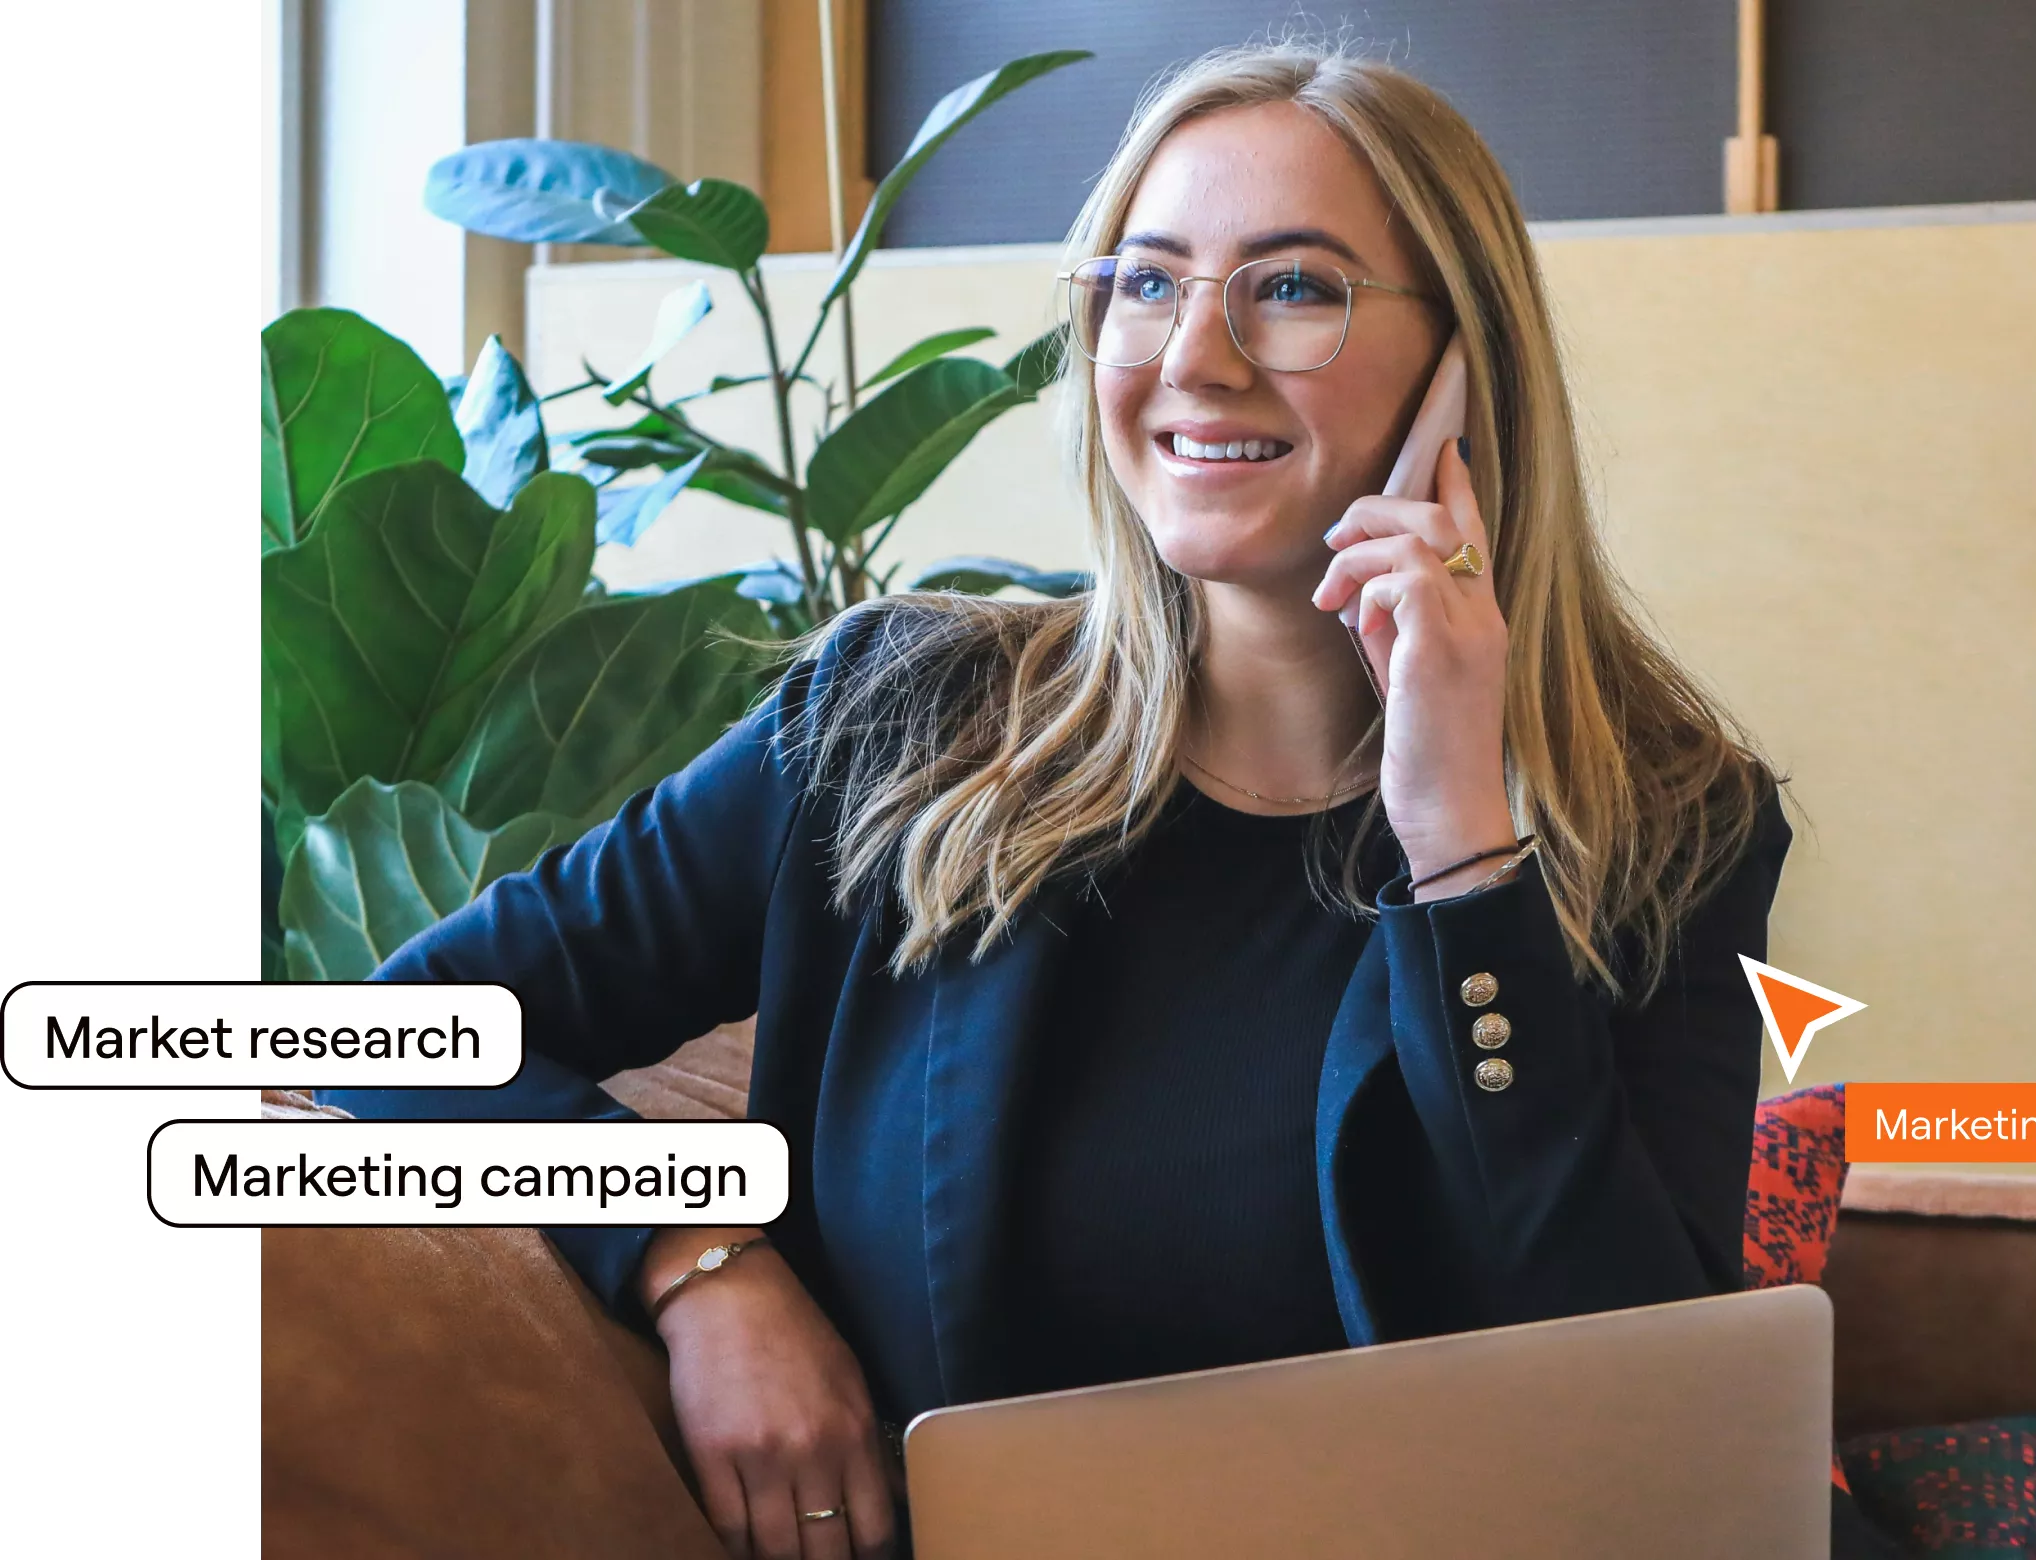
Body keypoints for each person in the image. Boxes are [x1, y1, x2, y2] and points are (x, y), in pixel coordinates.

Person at [328, 39, 1903, 1560]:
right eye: (1142, 284)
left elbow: (1645, 1421)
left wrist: (1462, 857)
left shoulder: (1664, 819)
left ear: (1459, 365)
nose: (1190, 357)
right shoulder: (893, 723)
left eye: (1291, 288)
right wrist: (695, 1254)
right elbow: (396, 1034)